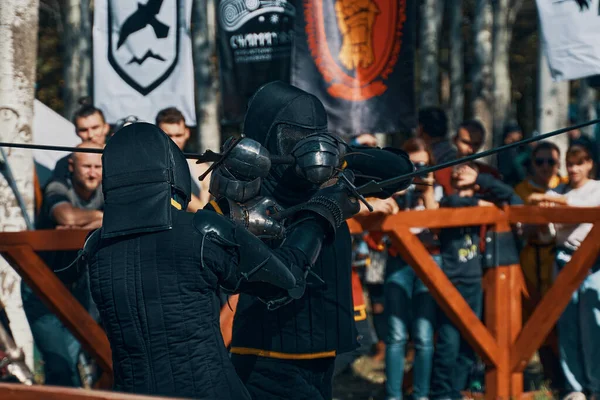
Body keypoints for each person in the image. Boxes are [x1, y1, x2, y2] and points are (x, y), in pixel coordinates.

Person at [82, 122, 361, 399]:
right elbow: (287, 282)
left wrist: (229, 216)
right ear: (172, 170)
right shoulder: (201, 231)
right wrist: (322, 213)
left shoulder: (96, 247)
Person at [223, 81, 414, 400]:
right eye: (295, 135)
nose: (302, 144)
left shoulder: (333, 175)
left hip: (322, 348)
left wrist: (343, 155)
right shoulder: (244, 184)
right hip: (266, 351)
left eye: (313, 135)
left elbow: (401, 171)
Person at [430, 163, 523, 400]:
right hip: (451, 281)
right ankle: (442, 392)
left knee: (471, 341)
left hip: (474, 279)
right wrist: (478, 203)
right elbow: (451, 204)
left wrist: (481, 178)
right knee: (448, 342)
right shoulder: (449, 201)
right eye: (458, 171)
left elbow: (513, 197)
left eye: (467, 170)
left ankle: (458, 390)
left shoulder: (483, 198)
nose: (462, 173)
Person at [21, 142, 104, 387]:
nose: (92, 172)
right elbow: (65, 216)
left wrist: (85, 223)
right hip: (42, 286)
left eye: (98, 166)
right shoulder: (58, 186)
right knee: (60, 367)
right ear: (71, 166)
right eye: (86, 166)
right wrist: (101, 217)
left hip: (79, 287)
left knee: (75, 361)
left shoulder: (106, 190)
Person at [531, 145, 600, 400]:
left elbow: (585, 210)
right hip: (562, 258)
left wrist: (553, 205)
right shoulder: (556, 190)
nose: (574, 169)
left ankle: (596, 385)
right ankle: (575, 387)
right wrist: (545, 220)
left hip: (593, 262)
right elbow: (550, 230)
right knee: (568, 326)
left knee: (592, 326)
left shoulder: (596, 189)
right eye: (570, 164)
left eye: (579, 163)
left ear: (589, 164)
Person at [383, 138, 443, 400]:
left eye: (422, 164)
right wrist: (395, 193)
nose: (417, 170)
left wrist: (427, 191)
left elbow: (439, 230)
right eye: (412, 165)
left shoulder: (436, 190)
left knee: (424, 335)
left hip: (429, 261)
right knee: (396, 334)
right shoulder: (393, 188)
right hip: (399, 261)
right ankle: (393, 395)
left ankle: (421, 395)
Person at [155, 107, 211, 211]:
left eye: (178, 135)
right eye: (168, 136)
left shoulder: (200, 167)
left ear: (187, 133)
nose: (174, 141)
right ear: (157, 135)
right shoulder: (151, 165)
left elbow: (204, 209)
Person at [434, 119, 501, 195]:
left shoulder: (489, 174)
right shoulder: (440, 174)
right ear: (455, 140)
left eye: (475, 144)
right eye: (466, 142)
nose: (470, 150)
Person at [51, 104, 110, 183]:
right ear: (76, 132)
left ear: (106, 128)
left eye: (95, 128)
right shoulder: (64, 164)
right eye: (83, 130)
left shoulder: (122, 158)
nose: (90, 135)